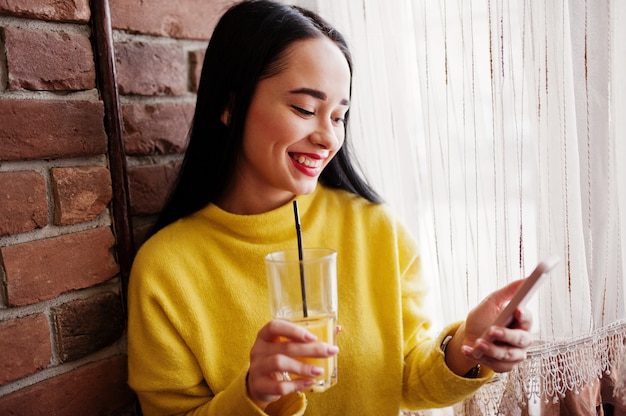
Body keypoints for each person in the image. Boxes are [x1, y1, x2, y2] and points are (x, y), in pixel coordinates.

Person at [126, 1, 534, 414]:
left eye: (339, 116)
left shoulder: (376, 228)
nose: (328, 138)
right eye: (305, 109)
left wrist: (468, 345)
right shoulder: (165, 269)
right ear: (231, 105)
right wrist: (254, 394)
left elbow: (408, 377)